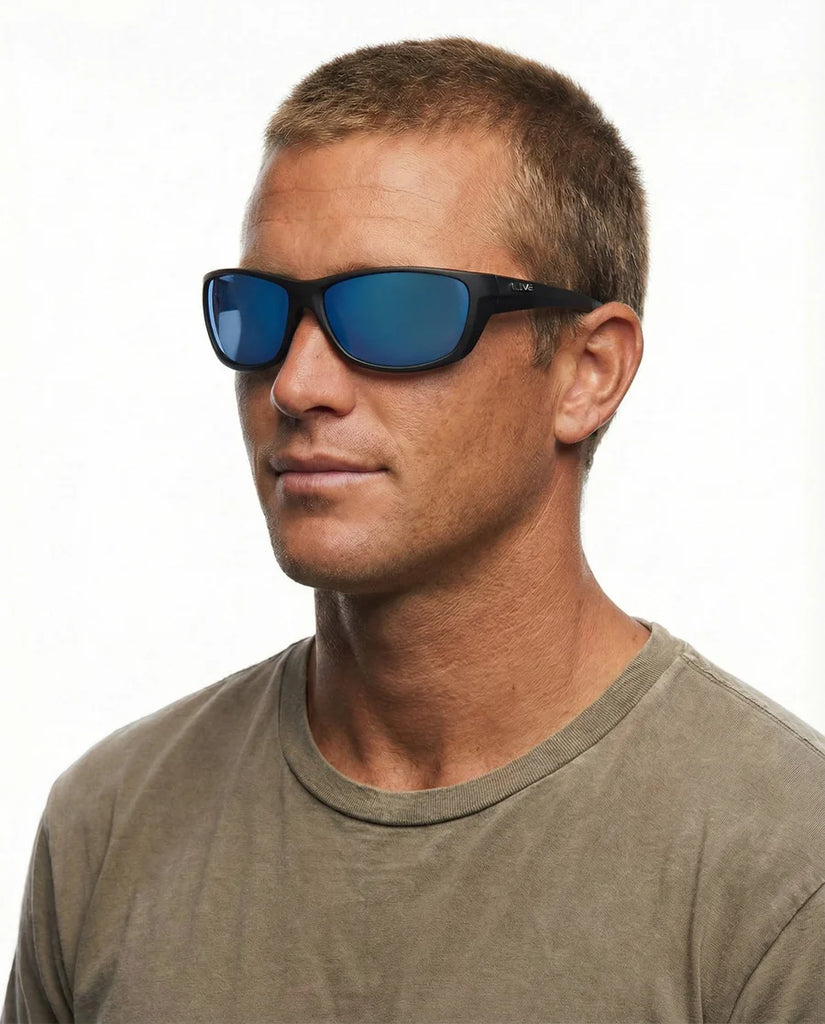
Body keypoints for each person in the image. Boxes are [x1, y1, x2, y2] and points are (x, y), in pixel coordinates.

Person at [3, 36, 824, 1024]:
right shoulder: (107, 828)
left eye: (392, 311)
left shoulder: (786, 867)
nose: (296, 383)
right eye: (261, 310)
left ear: (588, 372)